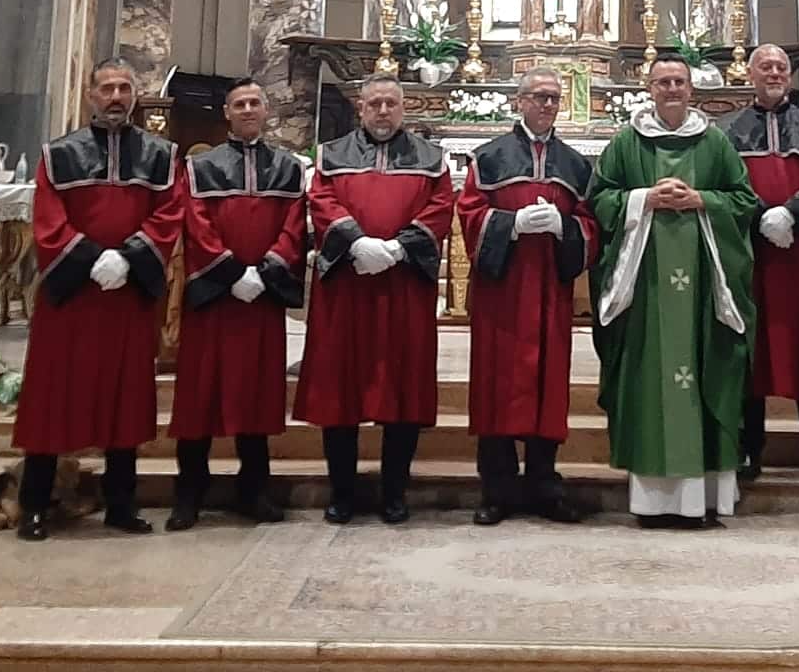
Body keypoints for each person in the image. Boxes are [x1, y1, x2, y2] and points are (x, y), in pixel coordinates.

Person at [12, 58, 178, 541]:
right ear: (90, 95)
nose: (116, 97)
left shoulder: (160, 155)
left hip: (125, 295)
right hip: (74, 296)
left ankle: (121, 505)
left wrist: (128, 259)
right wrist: (89, 259)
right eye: (107, 88)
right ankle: (35, 506)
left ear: (136, 95)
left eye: (125, 88)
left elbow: (169, 214)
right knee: (52, 397)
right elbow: (47, 218)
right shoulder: (59, 154)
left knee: (123, 399)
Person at [589, 56, 759, 527]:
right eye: (663, 82)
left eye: (679, 82)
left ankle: (700, 499)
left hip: (705, 281)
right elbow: (599, 198)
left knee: (701, 368)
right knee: (650, 372)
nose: (671, 89)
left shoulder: (714, 142)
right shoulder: (626, 142)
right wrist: (645, 199)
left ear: (691, 89)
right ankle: (652, 501)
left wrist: (701, 199)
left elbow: (746, 199)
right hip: (644, 285)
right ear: (649, 88)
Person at [293, 76, 453, 524]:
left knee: (400, 388)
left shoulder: (430, 158)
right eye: (375, 103)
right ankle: (342, 492)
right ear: (360, 107)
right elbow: (321, 200)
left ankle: (394, 492)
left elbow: (440, 206)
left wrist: (400, 248)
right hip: (348, 284)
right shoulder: (331, 154)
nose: (383, 111)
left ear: (404, 108)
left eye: (391, 103)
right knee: (340, 387)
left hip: (402, 287)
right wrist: (357, 242)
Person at [457, 67, 597, 525]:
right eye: (539, 97)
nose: (547, 105)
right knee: (498, 382)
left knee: (547, 384)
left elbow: (591, 224)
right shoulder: (490, 157)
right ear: (519, 101)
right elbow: (471, 212)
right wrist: (509, 225)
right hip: (504, 290)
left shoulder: (576, 164)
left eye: (555, 98)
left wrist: (567, 228)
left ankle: (543, 484)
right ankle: (496, 489)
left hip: (549, 293)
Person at [167, 79, 307, 529]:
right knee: (199, 395)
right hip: (215, 297)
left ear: (267, 111)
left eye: (255, 103)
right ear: (227, 112)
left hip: (260, 298)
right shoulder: (201, 166)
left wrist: (265, 270)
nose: (248, 110)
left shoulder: (287, 169)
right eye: (239, 104)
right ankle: (189, 492)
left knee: (257, 394)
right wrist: (230, 272)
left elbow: (293, 226)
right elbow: (196, 221)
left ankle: (255, 490)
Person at [721, 43, 799, 484]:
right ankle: (748, 450)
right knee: (751, 353)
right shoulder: (727, 132)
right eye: (765, 67)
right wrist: (759, 217)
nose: (774, 73)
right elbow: (723, 183)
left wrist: (793, 212)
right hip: (751, 258)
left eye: (780, 68)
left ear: (789, 76)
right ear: (750, 76)